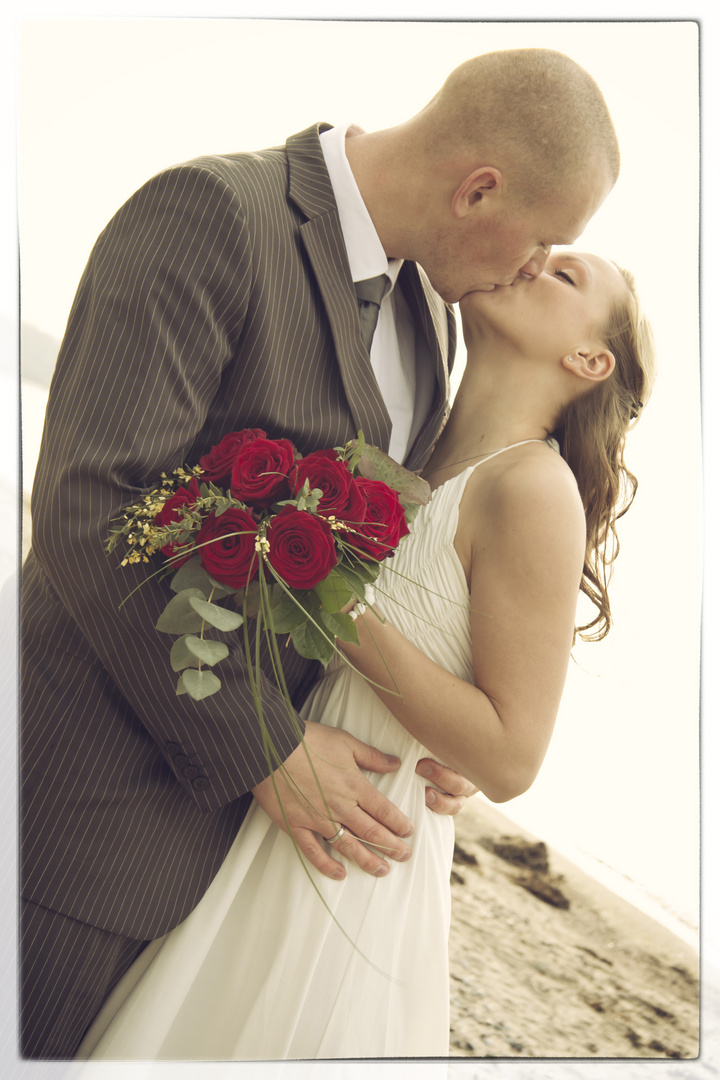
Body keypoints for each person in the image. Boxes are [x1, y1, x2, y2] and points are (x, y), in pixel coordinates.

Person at [20, 48, 620, 1058]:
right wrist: (265, 745)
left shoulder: (432, 321)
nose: (531, 264)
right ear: (481, 189)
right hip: (81, 823)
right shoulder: (212, 215)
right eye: (546, 239)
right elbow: (91, 508)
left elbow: (376, 567)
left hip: (236, 873)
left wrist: (449, 727)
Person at [76, 248, 656, 1059]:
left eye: (564, 276)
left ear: (588, 361)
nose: (531, 259)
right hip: (278, 800)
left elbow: (512, 758)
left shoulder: (534, 489)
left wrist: (328, 591)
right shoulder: (410, 447)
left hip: (352, 858)